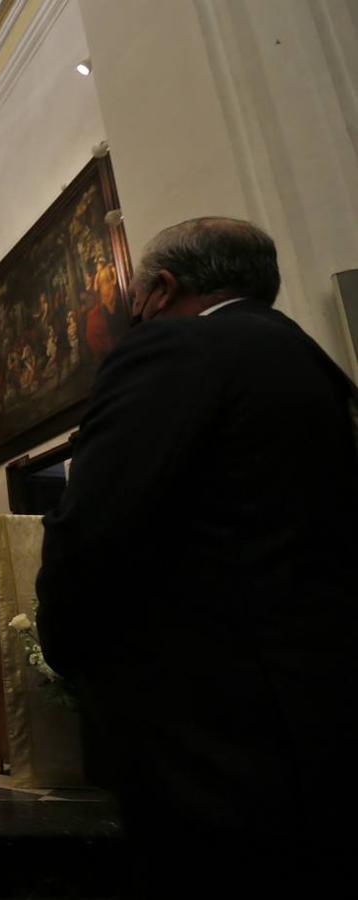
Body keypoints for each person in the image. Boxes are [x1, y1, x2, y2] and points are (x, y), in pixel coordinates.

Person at [36, 217, 358, 892]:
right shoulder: (313, 361)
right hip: (317, 692)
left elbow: (95, 524)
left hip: (203, 711)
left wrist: (66, 646)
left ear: (161, 289)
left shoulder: (174, 350)